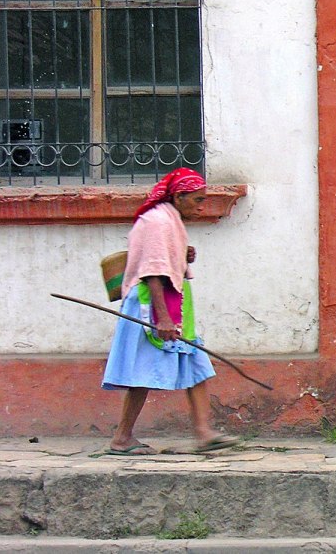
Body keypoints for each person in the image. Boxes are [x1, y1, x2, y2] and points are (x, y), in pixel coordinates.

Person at [102, 168, 240, 455]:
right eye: (197, 200)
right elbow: (152, 272)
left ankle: (204, 433)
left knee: (195, 363)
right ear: (179, 196)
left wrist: (183, 253)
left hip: (172, 302)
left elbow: (162, 257)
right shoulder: (157, 221)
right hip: (152, 306)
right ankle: (122, 438)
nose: (202, 207)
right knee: (142, 373)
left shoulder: (169, 219)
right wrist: (162, 318)